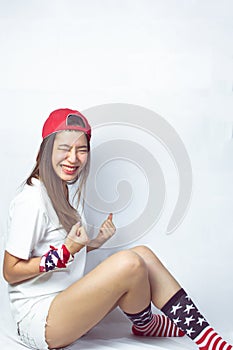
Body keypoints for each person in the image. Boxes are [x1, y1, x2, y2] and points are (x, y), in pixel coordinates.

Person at [3, 108, 232, 350]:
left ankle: (184, 334)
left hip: (63, 303)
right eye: (64, 148)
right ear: (45, 151)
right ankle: (156, 326)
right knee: (128, 263)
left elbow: (60, 255)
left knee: (142, 254)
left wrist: (93, 243)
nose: (73, 158)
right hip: (40, 321)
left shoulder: (60, 190)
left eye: (81, 150)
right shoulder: (31, 200)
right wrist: (64, 253)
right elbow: (10, 271)